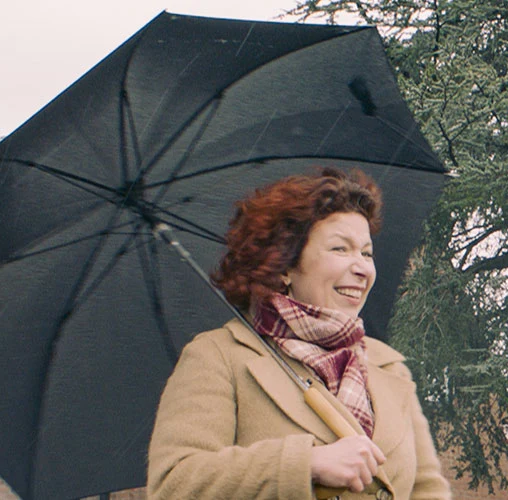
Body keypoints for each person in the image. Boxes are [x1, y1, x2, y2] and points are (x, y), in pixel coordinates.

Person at [148, 168, 451, 499]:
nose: (362, 268)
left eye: (366, 253)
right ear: (286, 265)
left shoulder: (389, 368)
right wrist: (305, 464)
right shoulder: (219, 356)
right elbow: (174, 485)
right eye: (340, 249)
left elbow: (428, 489)